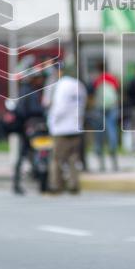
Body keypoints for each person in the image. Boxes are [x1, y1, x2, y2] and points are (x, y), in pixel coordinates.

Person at [47, 60, 86, 194]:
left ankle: (56, 185)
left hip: (61, 128)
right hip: (76, 127)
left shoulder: (62, 85)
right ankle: (74, 185)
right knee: (73, 158)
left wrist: (51, 122)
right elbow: (83, 106)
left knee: (57, 159)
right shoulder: (79, 85)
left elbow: (59, 108)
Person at [7, 72, 48, 194]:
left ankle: (25, 181)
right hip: (30, 128)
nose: (40, 81)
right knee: (30, 155)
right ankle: (20, 182)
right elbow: (28, 110)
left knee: (32, 154)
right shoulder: (29, 91)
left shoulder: (28, 90)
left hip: (30, 128)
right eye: (39, 78)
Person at [90, 61, 120, 172]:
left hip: (99, 108)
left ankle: (101, 162)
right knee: (112, 129)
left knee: (99, 132)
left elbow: (92, 93)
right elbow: (117, 89)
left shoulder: (97, 79)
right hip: (112, 107)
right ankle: (113, 156)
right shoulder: (112, 78)